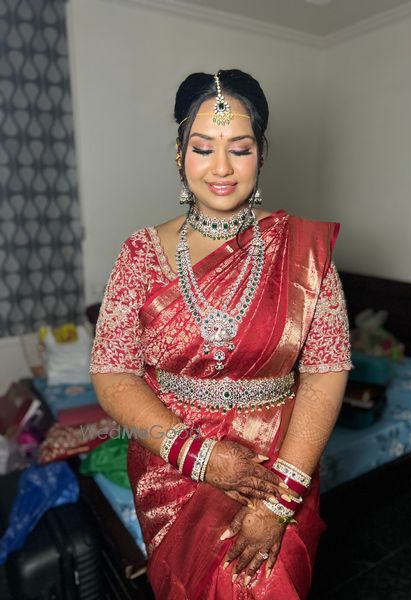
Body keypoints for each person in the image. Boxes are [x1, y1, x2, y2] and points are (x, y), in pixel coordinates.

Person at [90, 69, 353, 600]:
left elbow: (326, 373)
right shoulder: (139, 254)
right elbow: (113, 374)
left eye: (240, 148)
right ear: (180, 153)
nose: (221, 168)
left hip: (279, 465)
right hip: (172, 465)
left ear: (262, 153)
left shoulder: (303, 252)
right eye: (203, 147)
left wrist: (279, 501)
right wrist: (199, 456)